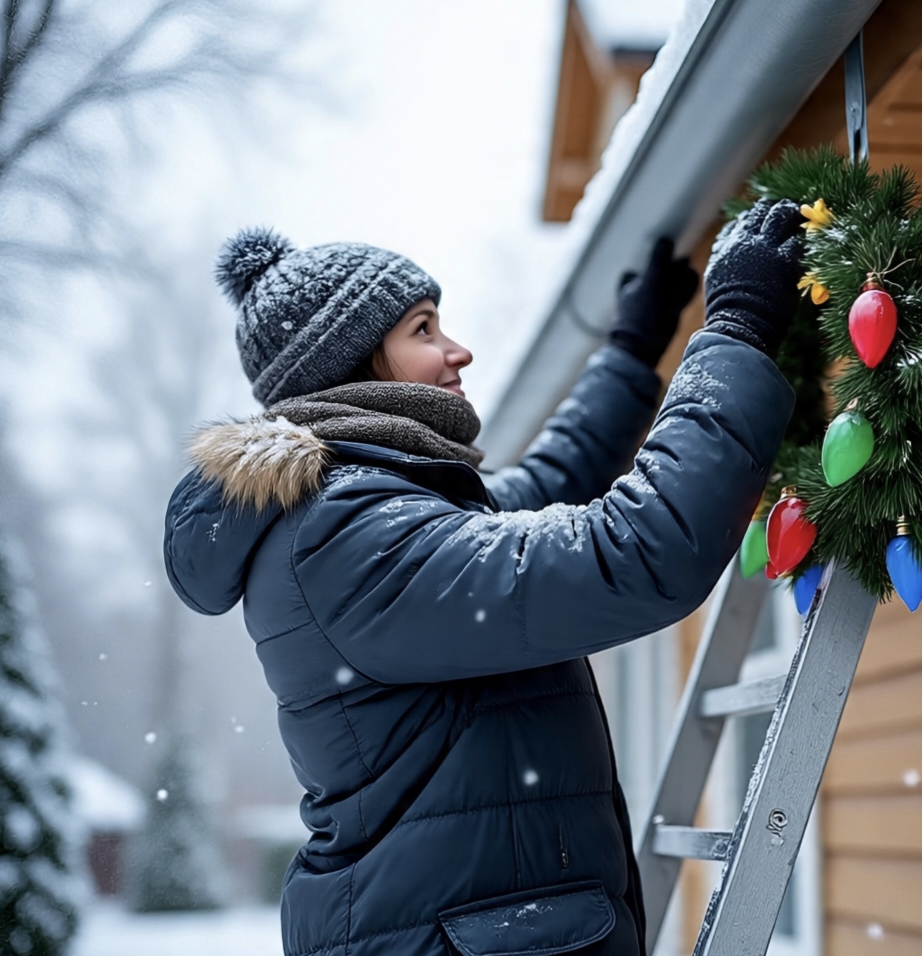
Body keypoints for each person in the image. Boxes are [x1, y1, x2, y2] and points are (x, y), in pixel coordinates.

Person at [163, 198, 805, 956]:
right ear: (352, 362)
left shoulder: (372, 510)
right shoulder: (348, 535)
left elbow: (546, 482)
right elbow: (638, 550)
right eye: (423, 329)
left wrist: (633, 352)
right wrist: (733, 331)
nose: (458, 350)